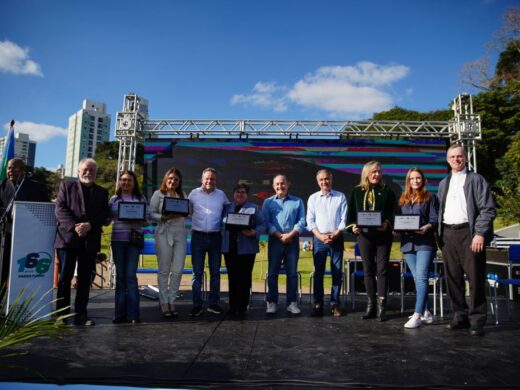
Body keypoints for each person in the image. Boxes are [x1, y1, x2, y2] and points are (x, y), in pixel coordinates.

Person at [438, 144, 496, 336]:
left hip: (469, 234)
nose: (456, 159)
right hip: (448, 234)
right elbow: (440, 211)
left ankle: (477, 320)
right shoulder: (443, 183)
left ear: (465, 158)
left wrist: (479, 233)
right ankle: (459, 317)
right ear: (448, 160)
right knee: (453, 278)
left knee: (475, 278)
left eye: (459, 156)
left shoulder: (477, 179)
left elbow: (488, 209)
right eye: (452, 157)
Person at [54, 158, 109, 326]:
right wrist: (75, 226)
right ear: (78, 171)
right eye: (85, 169)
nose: (88, 172)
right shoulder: (66, 186)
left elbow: (104, 214)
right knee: (64, 279)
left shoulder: (102, 192)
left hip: (90, 241)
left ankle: (81, 315)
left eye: (92, 170)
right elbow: (60, 209)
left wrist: (90, 225)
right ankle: (61, 316)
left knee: (85, 280)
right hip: (68, 240)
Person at [346, 160, 396, 321]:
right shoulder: (356, 192)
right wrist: (353, 227)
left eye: (379, 172)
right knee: (368, 270)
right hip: (364, 236)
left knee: (382, 269)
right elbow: (351, 215)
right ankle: (371, 306)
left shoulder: (387, 190)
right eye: (374, 172)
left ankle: (382, 306)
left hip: (383, 236)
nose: (377, 175)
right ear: (366, 173)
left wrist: (387, 223)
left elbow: (393, 212)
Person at [396, 168, 439, 329]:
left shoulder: (430, 197)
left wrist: (427, 226)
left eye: (418, 178)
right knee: (417, 279)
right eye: (412, 178)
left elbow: (434, 219)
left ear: (423, 179)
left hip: (425, 243)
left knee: (421, 278)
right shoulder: (403, 199)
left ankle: (417, 314)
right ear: (408, 181)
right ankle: (427, 312)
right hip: (408, 244)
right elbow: (399, 220)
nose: (415, 181)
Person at [0, 158, 50, 288]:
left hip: (30, 237)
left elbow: (47, 210)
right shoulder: (2, 186)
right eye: (9, 168)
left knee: (23, 272)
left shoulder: (38, 187)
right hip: (6, 236)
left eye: (15, 168)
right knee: (2, 271)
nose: (11, 171)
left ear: (23, 171)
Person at [188, 168, 229, 317]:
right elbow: (184, 208)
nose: (209, 181)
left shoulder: (221, 195)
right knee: (197, 274)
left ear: (216, 181)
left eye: (212, 179)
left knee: (215, 273)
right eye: (207, 178)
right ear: (202, 179)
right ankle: (197, 305)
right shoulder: (193, 194)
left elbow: (229, 210)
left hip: (215, 238)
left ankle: (213, 304)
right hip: (197, 237)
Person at [108, 170, 148, 324]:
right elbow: (107, 218)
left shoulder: (140, 198)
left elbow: (148, 219)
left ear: (134, 182)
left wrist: (140, 219)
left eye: (129, 180)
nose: (126, 183)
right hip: (118, 241)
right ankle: (119, 314)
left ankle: (133, 315)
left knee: (130, 277)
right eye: (123, 180)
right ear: (120, 182)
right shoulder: (114, 199)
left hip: (133, 242)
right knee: (120, 277)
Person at [262, 174, 305, 315]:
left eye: (283, 183)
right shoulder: (268, 202)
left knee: (292, 274)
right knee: (273, 274)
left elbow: (301, 222)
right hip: (275, 241)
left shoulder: (298, 201)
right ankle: (272, 302)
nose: (280, 186)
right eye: (277, 184)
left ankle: (291, 303)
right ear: (274, 186)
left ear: (288, 184)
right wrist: (280, 235)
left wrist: (290, 235)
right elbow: (265, 222)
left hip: (292, 241)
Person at [306, 169, 347, 317]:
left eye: (327, 179)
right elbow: (310, 221)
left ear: (331, 179)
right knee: (319, 274)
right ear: (318, 181)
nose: (324, 182)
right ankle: (318, 303)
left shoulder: (340, 196)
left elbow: (344, 220)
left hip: (336, 239)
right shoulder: (313, 198)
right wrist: (320, 236)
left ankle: (334, 304)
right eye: (321, 180)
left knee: (336, 273)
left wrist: (335, 234)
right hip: (319, 240)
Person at [221, 183, 265, 318]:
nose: (239, 194)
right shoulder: (227, 207)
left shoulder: (254, 208)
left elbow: (263, 225)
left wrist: (254, 232)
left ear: (247, 195)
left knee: (244, 279)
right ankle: (232, 306)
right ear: (233, 194)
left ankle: (242, 307)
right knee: (232, 278)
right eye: (237, 192)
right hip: (230, 248)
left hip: (247, 249)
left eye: (242, 192)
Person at [149, 167, 188, 318]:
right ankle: (164, 302)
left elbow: (186, 211)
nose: (173, 181)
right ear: (166, 179)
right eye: (170, 178)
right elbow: (151, 213)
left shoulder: (183, 194)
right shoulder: (157, 194)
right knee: (164, 270)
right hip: (163, 233)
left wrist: (186, 210)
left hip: (180, 234)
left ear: (179, 182)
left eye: (176, 179)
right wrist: (163, 217)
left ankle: (172, 300)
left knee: (178, 270)